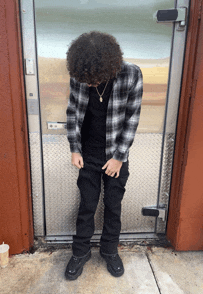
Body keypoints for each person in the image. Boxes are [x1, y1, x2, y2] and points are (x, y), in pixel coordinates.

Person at [65, 31, 143, 280]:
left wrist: (119, 156)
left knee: (113, 204)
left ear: (108, 68)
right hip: (89, 152)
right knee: (87, 205)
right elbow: (73, 111)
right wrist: (75, 148)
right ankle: (80, 252)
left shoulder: (131, 74)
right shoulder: (81, 74)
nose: (88, 84)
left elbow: (132, 119)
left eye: (92, 80)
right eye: (84, 80)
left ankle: (109, 250)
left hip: (116, 154)